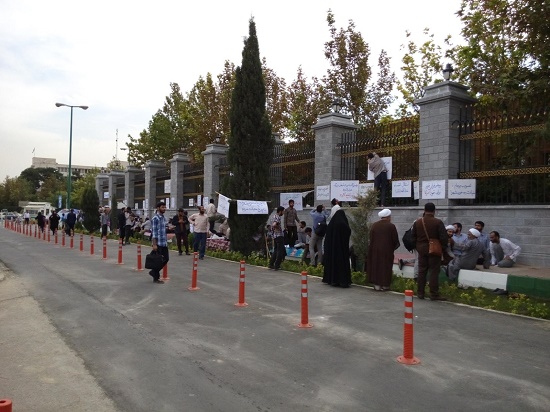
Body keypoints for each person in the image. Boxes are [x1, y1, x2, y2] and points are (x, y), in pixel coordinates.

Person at [411, 202, 447, 300]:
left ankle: (420, 293)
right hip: (434, 250)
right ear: (434, 211)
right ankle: (434, 294)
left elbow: (413, 237)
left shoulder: (417, 222)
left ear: (424, 210)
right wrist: (442, 248)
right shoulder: (438, 222)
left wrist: (418, 247)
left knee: (422, 271)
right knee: (434, 271)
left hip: (421, 250)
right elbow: (444, 237)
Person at [367, 208, 400, 291]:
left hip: (375, 250)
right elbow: (395, 240)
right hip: (387, 251)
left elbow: (371, 238)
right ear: (388, 217)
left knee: (376, 266)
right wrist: (391, 248)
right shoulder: (391, 226)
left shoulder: (374, 225)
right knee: (386, 267)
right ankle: (385, 285)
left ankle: (377, 285)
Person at [322, 208, 351, 288]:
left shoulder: (331, 224)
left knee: (332, 263)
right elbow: (348, 232)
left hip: (331, 251)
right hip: (341, 250)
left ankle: (332, 280)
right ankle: (342, 281)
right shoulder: (343, 224)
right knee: (341, 264)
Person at [150, 201, 169, 284]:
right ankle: (156, 278)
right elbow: (154, 232)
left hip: (164, 242)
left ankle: (153, 272)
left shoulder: (163, 218)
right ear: (158, 208)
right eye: (162, 207)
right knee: (158, 260)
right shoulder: (155, 219)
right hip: (158, 243)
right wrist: (154, 244)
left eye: (165, 207)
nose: (164, 208)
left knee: (166, 259)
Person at [268, 206, 286, 271]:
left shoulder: (273, 216)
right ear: (280, 211)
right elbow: (274, 225)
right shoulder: (277, 217)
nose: (283, 213)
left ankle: (271, 264)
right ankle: (277, 265)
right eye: (283, 211)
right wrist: (278, 228)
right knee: (279, 251)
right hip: (279, 236)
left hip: (275, 236)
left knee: (275, 251)